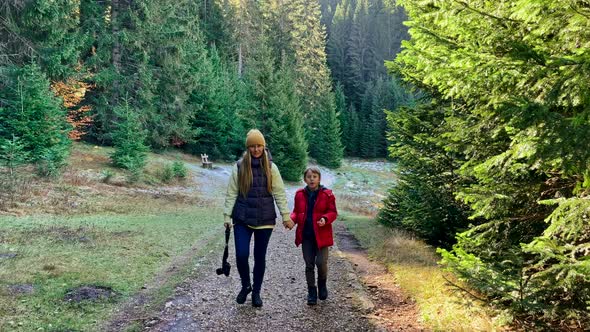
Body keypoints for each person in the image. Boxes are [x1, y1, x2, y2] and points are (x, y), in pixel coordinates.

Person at [223, 129, 294, 307]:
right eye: (252, 146)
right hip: (242, 218)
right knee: (241, 255)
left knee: (259, 257)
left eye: (259, 146)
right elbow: (231, 193)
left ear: (264, 146)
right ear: (248, 148)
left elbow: (279, 192)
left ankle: (256, 292)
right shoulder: (239, 166)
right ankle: (246, 285)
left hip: (265, 219)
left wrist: (286, 216)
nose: (256, 149)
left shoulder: (271, 167)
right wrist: (227, 215)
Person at [290, 166, 338, 305]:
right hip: (306, 236)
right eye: (309, 177)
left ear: (319, 179)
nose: (312, 179)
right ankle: (311, 291)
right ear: (305, 179)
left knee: (321, 263)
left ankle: (322, 284)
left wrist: (325, 218)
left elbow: (333, 212)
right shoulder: (299, 194)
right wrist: (292, 220)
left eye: (314, 177)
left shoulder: (327, 194)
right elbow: (296, 212)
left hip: (322, 236)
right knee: (309, 264)